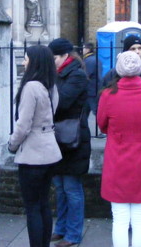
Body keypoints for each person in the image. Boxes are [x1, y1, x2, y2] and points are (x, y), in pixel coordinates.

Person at [97, 51, 141, 247]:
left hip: (117, 161)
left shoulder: (108, 95)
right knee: (140, 217)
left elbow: (102, 125)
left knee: (120, 219)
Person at [8, 45, 61, 247]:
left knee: (32, 207)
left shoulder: (31, 87)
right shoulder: (50, 85)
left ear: (35, 61)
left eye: (26, 59)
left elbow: (23, 125)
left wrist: (12, 145)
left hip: (32, 154)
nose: (24, 62)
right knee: (43, 204)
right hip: (50, 150)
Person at [47, 38, 91, 247]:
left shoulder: (77, 75)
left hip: (73, 138)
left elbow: (61, 102)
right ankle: (61, 228)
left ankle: (73, 234)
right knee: (60, 186)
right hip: (58, 137)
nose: (50, 62)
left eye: (53, 58)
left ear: (65, 56)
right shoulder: (55, 75)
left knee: (72, 188)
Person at [82, 43, 101, 117]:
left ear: (87, 49)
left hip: (90, 90)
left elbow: (86, 75)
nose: (82, 50)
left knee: (95, 111)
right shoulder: (96, 59)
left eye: (84, 48)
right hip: (95, 88)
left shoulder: (88, 60)